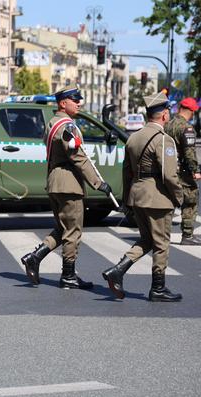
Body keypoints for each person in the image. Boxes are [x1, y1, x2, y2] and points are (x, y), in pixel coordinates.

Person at [21, 86, 111, 289]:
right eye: (75, 100)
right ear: (63, 103)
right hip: (68, 183)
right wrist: (98, 183)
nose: (79, 103)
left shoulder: (53, 123)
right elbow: (78, 157)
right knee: (73, 231)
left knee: (63, 229)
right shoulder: (67, 127)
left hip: (55, 180)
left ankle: (35, 257)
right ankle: (68, 276)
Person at [102, 92, 183, 301]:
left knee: (147, 240)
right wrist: (179, 197)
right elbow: (169, 174)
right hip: (157, 197)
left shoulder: (133, 138)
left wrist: (127, 199)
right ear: (164, 115)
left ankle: (118, 270)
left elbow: (126, 172)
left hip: (137, 196)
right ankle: (158, 288)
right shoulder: (164, 140)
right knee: (162, 243)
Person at [164, 97, 201, 245]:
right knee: (190, 201)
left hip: (169, 169)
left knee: (169, 202)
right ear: (191, 111)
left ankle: (162, 234)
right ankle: (187, 235)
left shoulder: (167, 125)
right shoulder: (187, 128)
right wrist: (195, 170)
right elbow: (190, 153)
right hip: (184, 172)